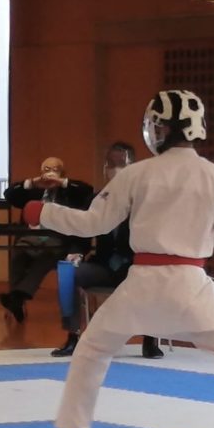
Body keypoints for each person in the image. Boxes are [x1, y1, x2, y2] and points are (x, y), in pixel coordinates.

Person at [23, 90, 214, 428]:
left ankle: (75, 427)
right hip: (193, 286)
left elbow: (93, 223)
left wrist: (42, 212)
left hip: (141, 286)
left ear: (159, 129)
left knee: (92, 348)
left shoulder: (136, 174)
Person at [51, 142, 163, 359]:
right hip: (103, 265)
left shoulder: (145, 201)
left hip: (133, 266)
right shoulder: (96, 199)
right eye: (111, 164)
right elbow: (81, 233)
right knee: (69, 273)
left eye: (121, 164)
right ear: (105, 168)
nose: (115, 169)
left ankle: (150, 339)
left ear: (133, 167)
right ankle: (73, 336)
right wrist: (76, 253)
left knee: (153, 277)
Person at [0, 157, 93, 322]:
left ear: (62, 173)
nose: (50, 173)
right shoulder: (34, 192)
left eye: (55, 170)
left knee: (45, 256)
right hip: (31, 238)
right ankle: (17, 300)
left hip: (58, 240)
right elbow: (10, 194)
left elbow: (87, 190)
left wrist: (61, 182)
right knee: (18, 254)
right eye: (46, 169)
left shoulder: (70, 192)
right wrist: (33, 182)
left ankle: (16, 297)